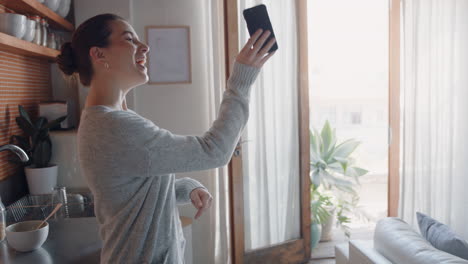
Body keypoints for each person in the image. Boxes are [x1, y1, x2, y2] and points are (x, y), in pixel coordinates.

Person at [56, 13, 276, 264]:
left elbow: (136, 191)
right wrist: (241, 80)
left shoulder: (110, 121)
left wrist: (186, 187)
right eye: (129, 39)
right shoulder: (115, 126)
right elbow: (215, 150)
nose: (145, 47)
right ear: (99, 54)